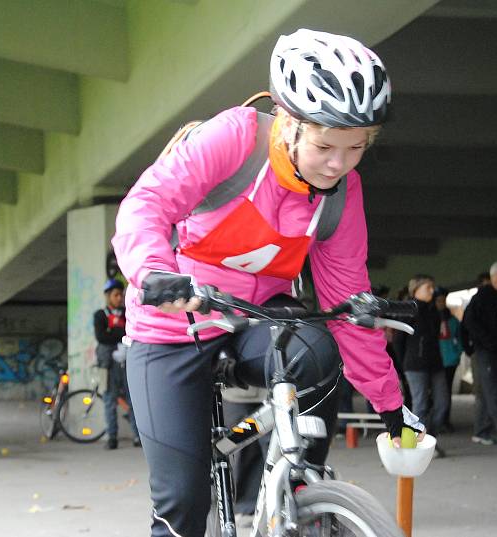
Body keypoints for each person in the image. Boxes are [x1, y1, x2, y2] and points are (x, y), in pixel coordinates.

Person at [112, 29, 422, 536]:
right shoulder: (235, 138)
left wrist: (392, 408)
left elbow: (348, 300)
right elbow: (146, 206)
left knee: (321, 352)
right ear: (288, 122)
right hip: (175, 323)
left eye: (356, 148)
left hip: (258, 317)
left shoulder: (341, 194)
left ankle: (300, 495)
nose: (338, 164)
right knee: (182, 502)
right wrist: (154, 274)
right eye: (325, 145)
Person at [463, 261, 497, 445]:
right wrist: (483, 344)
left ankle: (481, 431)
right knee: (494, 392)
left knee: (492, 392)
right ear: (492, 277)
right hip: (485, 352)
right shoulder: (481, 297)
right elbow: (469, 322)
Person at [394, 275, 447, 457]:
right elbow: (398, 340)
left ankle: (429, 439)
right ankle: (422, 447)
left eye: (432, 288)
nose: (432, 291)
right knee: (421, 405)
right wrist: (401, 367)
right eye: (428, 288)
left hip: (436, 363)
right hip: (415, 365)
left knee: (442, 403)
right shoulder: (408, 310)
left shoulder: (435, 311)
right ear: (415, 290)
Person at [94, 278, 140, 450]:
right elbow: (101, 337)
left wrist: (112, 331)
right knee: (109, 400)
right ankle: (112, 437)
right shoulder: (100, 315)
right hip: (108, 364)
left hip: (128, 362)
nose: (119, 298)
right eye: (116, 295)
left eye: (121, 295)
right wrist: (118, 332)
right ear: (108, 296)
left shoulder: (128, 313)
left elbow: (130, 332)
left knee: (133, 399)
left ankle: (138, 436)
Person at [434, 286, 462, 432]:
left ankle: (445, 419)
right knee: (435, 392)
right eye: (438, 300)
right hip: (435, 361)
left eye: (443, 300)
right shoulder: (430, 319)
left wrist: (457, 354)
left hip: (450, 360)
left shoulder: (452, 320)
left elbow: (459, 338)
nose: (441, 303)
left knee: (447, 392)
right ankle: (436, 421)